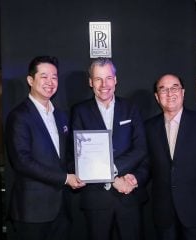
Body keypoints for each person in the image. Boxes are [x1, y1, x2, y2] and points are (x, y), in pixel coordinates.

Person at [5, 56, 85, 240]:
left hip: (61, 210)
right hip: (32, 211)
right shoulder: (19, 117)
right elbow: (22, 162)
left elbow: (65, 156)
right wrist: (65, 178)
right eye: (44, 76)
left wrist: (85, 170)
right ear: (30, 80)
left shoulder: (61, 116)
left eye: (54, 77)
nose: (50, 82)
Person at [70, 57, 149, 240]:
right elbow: (77, 155)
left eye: (108, 78)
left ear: (116, 80)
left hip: (129, 195)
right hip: (97, 199)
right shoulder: (80, 111)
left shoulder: (131, 109)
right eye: (98, 79)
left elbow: (141, 148)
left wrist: (116, 171)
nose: (104, 84)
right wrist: (113, 179)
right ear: (90, 82)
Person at [146, 74, 196, 240]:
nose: (169, 93)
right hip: (163, 212)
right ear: (156, 97)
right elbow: (146, 165)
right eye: (163, 89)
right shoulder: (149, 127)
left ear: (183, 92)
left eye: (174, 88)